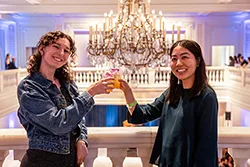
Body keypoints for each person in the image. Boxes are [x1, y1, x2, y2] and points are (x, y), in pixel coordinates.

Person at [17, 30, 115, 167]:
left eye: (66, 50)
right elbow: (58, 124)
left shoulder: (67, 84)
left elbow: (78, 118)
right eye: (56, 47)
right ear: (42, 48)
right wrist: (90, 93)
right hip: (41, 161)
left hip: (69, 161)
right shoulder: (29, 87)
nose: (61, 53)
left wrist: (81, 140)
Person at [119, 39, 218, 167]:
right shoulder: (172, 92)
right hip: (168, 161)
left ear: (198, 61)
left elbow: (206, 146)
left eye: (185, 57)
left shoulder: (206, 97)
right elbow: (142, 115)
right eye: (174, 59)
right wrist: (127, 91)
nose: (178, 63)